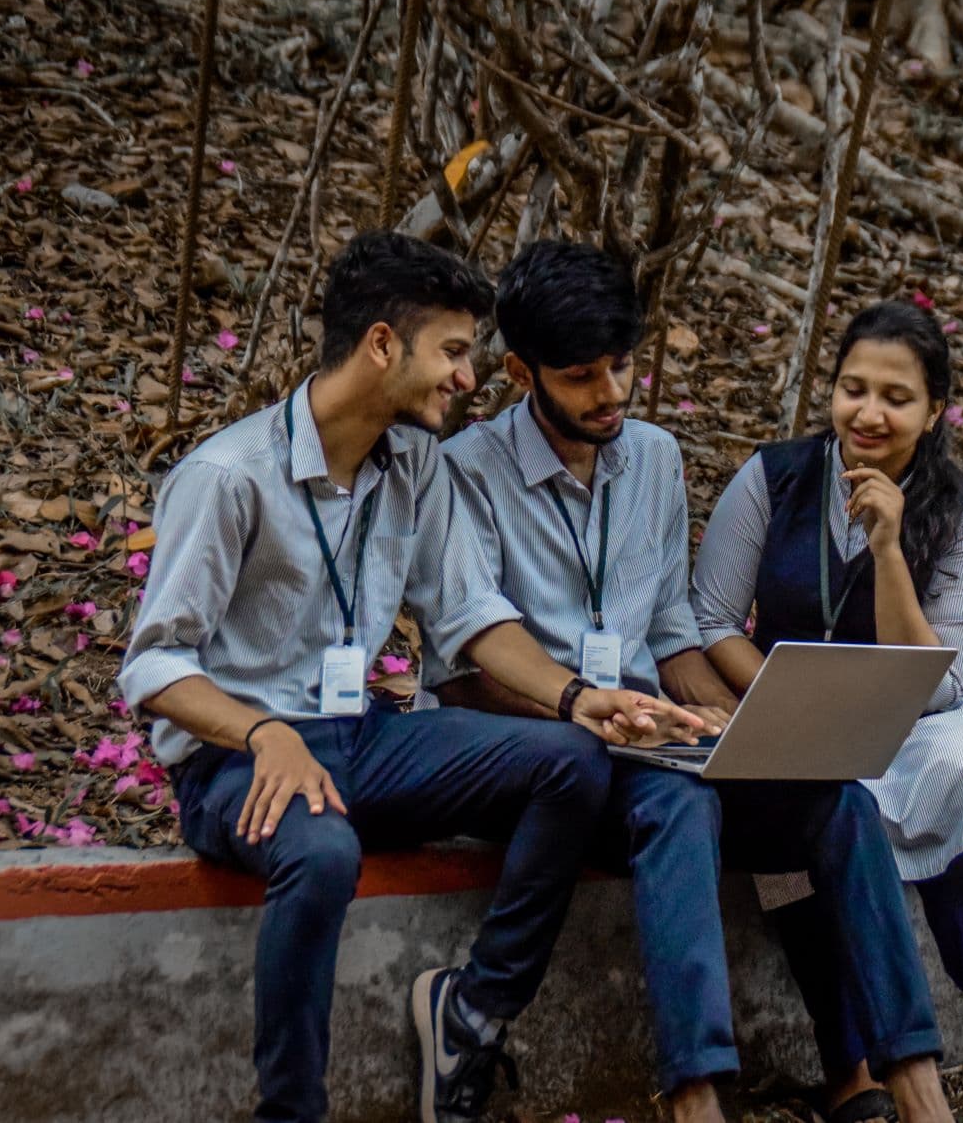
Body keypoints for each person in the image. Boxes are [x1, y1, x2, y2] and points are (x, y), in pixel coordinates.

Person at [118, 231, 697, 1123]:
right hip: (238, 760)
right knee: (321, 851)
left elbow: (469, 617)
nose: (468, 379)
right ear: (384, 344)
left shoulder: (415, 462)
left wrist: (581, 700)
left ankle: (474, 1008)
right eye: (455, 353)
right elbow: (154, 665)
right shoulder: (229, 476)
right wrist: (264, 733)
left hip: (362, 741)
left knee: (570, 761)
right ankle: (291, 1111)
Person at [427, 243, 954, 1123]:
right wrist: (592, 709)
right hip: (546, 752)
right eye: (581, 375)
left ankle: (915, 1084)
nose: (610, 394)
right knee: (681, 805)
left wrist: (725, 718)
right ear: (519, 371)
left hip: (650, 746)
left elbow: (671, 631)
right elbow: (464, 669)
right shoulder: (464, 473)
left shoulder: (655, 458)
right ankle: (695, 1092)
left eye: (622, 366)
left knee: (835, 800)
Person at [691, 300, 963, 1123]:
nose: (867, 413)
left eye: (894, 397)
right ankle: (850, 1066)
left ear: (934, 410)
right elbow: (713, 621)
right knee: (804, 802)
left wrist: (889, 548)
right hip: (782, 710)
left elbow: (937, 680)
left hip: (914, 721)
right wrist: (782, 699)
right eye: (850, 389)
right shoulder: (773, 477)